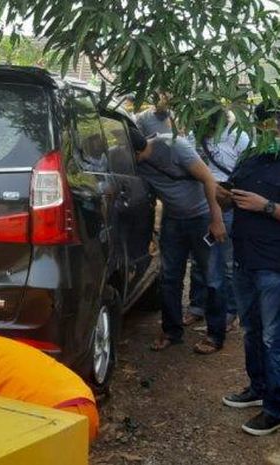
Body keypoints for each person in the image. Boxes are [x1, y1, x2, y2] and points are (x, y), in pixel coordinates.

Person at [129, 128, 227, 354]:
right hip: (173, 220)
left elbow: (208, 178)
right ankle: (171, 331)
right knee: (170, 278)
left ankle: (215, 335)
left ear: (138, 150)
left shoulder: (174, 146)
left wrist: (216, 220)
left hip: (202, 218)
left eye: (132, 156)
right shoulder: (137, 163)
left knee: (213, 278)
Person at [221, 102, 280, 436]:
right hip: (244, 260)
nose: (269, 130)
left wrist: (267, 206)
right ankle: (257, 388)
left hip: (274, 265)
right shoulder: (250, 159)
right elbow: (229, 197)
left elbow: (263, 206)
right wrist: (222, 197)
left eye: (274, 124)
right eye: (264, 124)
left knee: (275, 339)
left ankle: (275, 407)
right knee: (252, 330)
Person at [185, 110, 250, 331]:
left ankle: (230, 312)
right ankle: (197, 306)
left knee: (227, 262)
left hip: (228, 204)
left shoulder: (238, 137)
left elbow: (248, 168)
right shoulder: (194, 138)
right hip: (201, 204)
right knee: (199, 260)